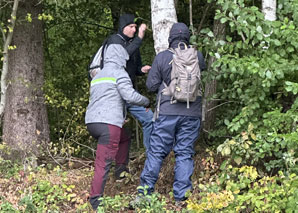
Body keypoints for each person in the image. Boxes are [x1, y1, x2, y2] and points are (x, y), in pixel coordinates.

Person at [137, 22, 206, 204]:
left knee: (157, 152)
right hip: (192, 112)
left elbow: (151, 86)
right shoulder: (197, 56)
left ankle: (144, 195)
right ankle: (181, 197)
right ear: (187, 37)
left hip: (167, 112)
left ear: (171, 37)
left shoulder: (162, 57)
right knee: (184, 153)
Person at [85, 44, 150, 210]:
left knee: (125, 137)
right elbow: (129, 96)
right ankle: (95, 200)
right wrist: (146, 101)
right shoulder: (120, 73)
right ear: (122, 58)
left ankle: (121, 170)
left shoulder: (97, 75)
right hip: (108, 124)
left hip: (92, 122)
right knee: (103, 162)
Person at [101, 13, 153, 151]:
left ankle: (151, 154)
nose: (134, 30)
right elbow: (122, 55)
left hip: (129, 93)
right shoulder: (114, 41)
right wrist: (140, 38)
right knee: (116, 129)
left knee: (149, 118)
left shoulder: (133, 45)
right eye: (131, 27)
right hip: (114, 94)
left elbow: (135, 69)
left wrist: (142, 70)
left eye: (135, 27)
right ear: (123, 27)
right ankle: (112, 164)